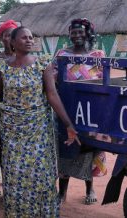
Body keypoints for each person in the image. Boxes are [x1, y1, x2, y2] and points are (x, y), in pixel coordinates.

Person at [0, 26, 80, 217]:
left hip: (38, 130)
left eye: (31, 37)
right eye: (24, 38)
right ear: (12, 42)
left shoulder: (43, 63)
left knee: (41, 174)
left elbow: (52, 95)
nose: (30, 40)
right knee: (15, 175)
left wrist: (68, 124)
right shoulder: (2, 67)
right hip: (11, 131)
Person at [54, 18, 106, 205]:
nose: (76, 35)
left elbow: (103, 81)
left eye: (80, 32)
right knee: (66, 149)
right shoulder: (62, 54)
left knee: (89, 149)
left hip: (91, 113)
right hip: (66, 111)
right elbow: (53, 79)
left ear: (88, 33)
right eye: (73, 32)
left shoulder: (97, 54)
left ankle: (89, 188)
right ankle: (62, 193)